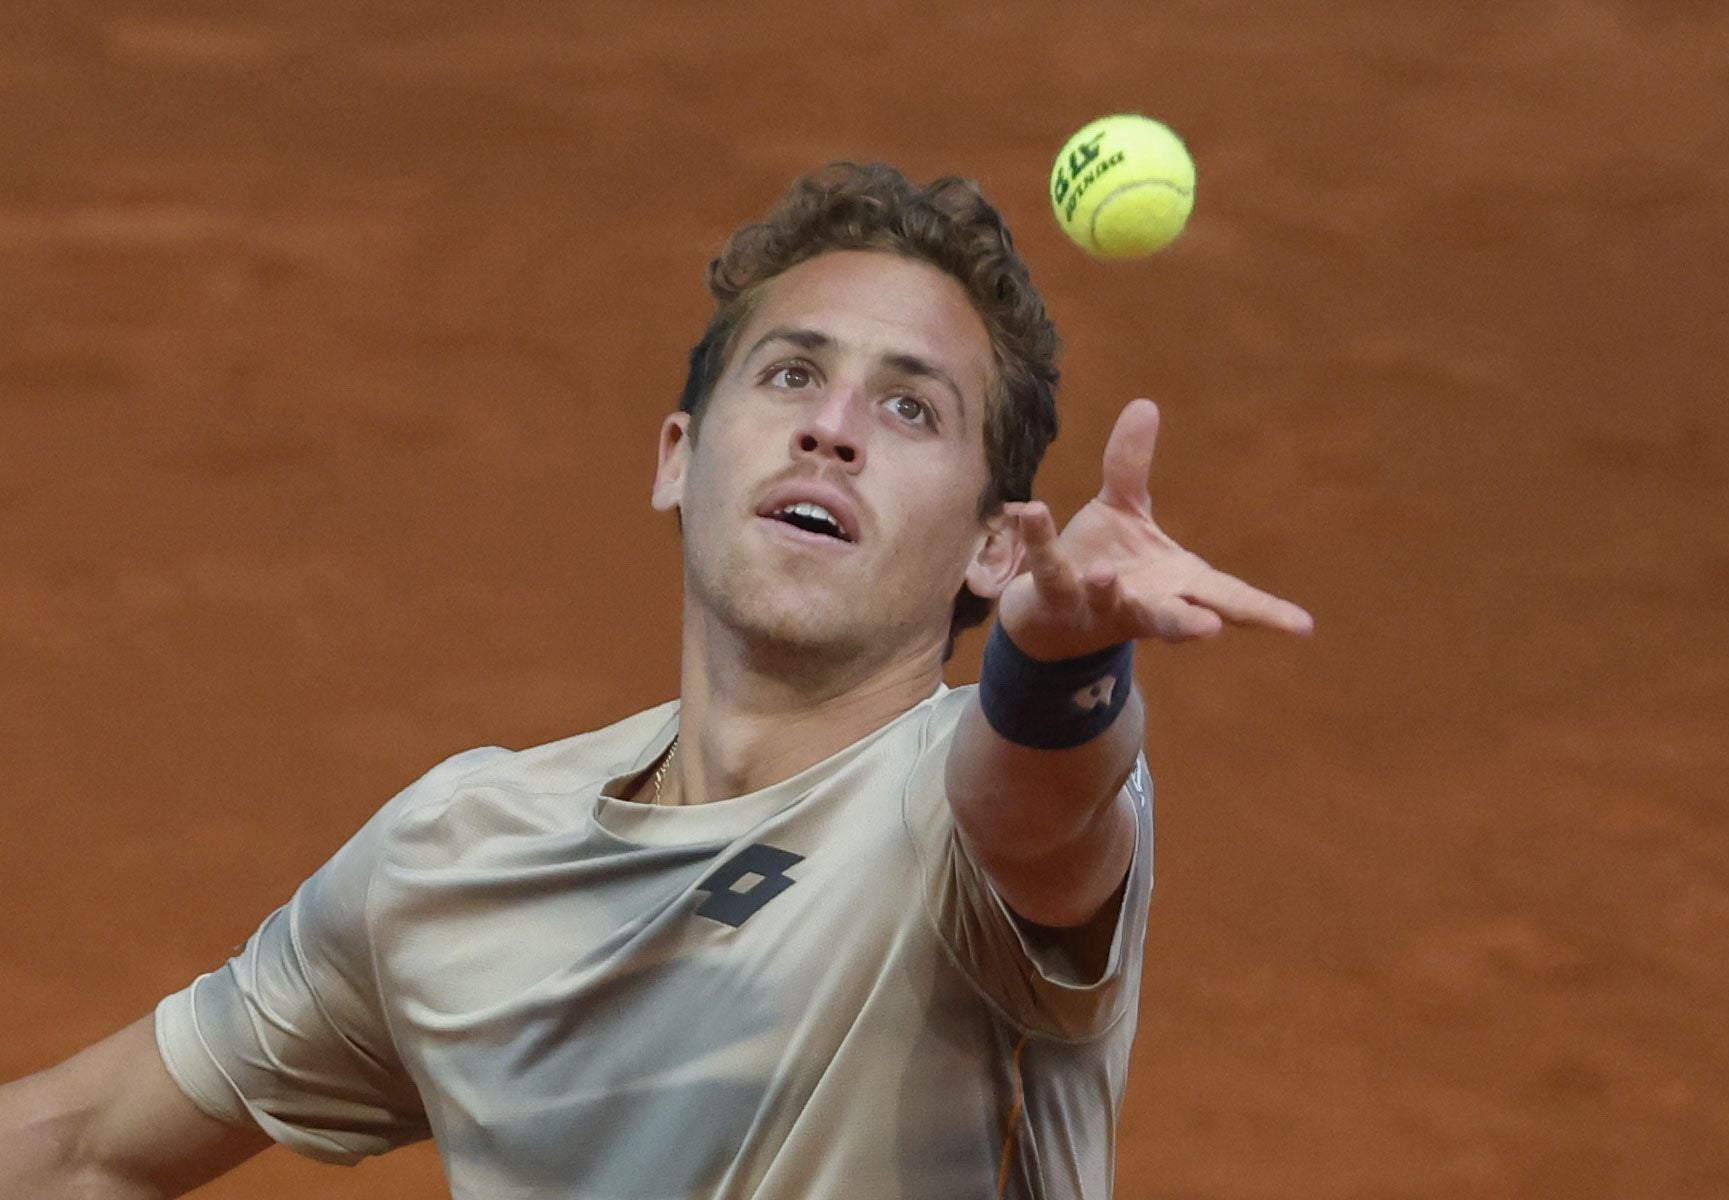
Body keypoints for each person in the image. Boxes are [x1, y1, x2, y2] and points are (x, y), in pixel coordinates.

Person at [0, 162, 1311, 1198]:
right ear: (680, 456)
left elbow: (1043, 794)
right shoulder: (457, 856)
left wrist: (1066, 655)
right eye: (792, 372)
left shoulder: (947, 821)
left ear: (988, 546)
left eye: (911, 409)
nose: (831, 427)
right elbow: (79, 1147)